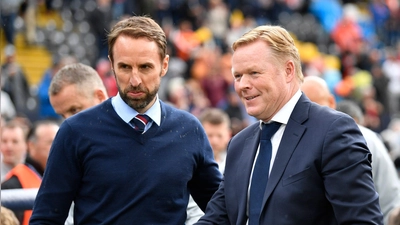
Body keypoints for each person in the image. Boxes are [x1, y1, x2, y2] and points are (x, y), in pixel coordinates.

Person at [30, 15, 222, 224]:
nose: (135, 80)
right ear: (111, 65)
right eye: (125, 67)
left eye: (145, 67)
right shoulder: (74, 132)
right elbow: (46, 218)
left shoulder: (188, 129)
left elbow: (221, 209)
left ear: (164, 65)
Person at [195, 25, 383, 224]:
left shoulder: (333, 131)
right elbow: (216, 219)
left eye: (254, 73)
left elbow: (362, 221)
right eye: (238, 76)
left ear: (288, 71)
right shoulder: (239, 144)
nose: (242, 85)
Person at [301, 75, 400, 225]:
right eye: (305, 108)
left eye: (316, 105)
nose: (312, 114)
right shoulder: (293, 142)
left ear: (332, 101)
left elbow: (390, 199)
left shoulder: (366, 138)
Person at [1, 120, 60, 225]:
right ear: (31, 145)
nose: (58, 146)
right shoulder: (14, 183)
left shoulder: (55, 176)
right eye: (51, 142)